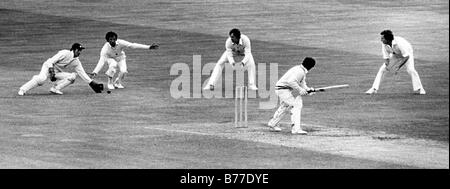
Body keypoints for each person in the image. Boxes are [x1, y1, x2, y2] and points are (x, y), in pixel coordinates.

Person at [18, 43, 97, 95]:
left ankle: (55, 88)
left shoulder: (76, 61)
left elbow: (81, 72)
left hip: (56, 72)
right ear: (74, 49)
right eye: (79, 50)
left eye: (80, 51)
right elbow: (51, 61)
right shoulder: (65, 53)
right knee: (41, 80)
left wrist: (91, 82)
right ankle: (23, 89)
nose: (80, 52)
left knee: (72, 76)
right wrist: (51, 71)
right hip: (47, 67)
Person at [90, 31, 159, 90]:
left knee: (123, 71)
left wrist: (148, 47)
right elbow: (101, 61)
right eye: (110, 39)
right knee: (113, 65)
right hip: (110, 58)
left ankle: (117, 83)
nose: (112, 41)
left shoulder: (120, 42)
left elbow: (133, 45)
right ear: (108, 40)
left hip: (120, 57)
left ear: (116, 39)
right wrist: (95, 72)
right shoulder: (105, 49)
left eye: (114, 39)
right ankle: (110, 82)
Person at [366, 30, 426, 95]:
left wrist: (397, 67)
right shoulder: (384, 44)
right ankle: (374, 89)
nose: (381, 40)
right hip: (395, 54)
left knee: (411, 70)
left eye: (382, 38)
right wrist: (387, 66)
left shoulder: (399, 43)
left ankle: (420, 89)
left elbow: (406, 56)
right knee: (382, 69)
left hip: (407, 54)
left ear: (388, 39)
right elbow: (386, 57)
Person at [267, 57, 316, 135]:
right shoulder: (300, 71)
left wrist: (309, 90)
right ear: (310, 66)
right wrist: (300, 90)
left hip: (283, 89)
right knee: (296, 105)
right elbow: (291, 82)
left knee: (285, 106)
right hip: (282, 89)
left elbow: (302, 83)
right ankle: (296, 129)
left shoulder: (301, 70)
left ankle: (272, 124)